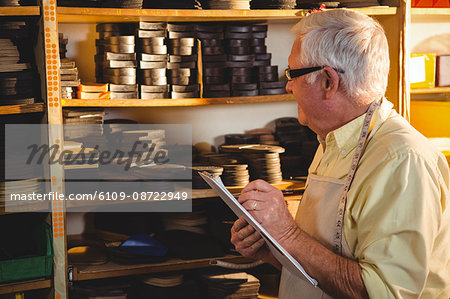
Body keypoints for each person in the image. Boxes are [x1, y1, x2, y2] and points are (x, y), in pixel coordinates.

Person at [230, 9, 450, 299]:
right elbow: (329, 257)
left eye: (292, 74)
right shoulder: (333, 140)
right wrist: (273, 248)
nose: (288, 86)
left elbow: (382, 292)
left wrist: (287, 235)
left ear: (328, 81)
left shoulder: (402, 159)